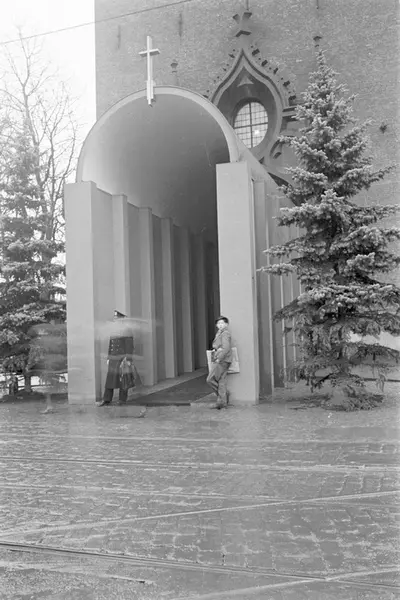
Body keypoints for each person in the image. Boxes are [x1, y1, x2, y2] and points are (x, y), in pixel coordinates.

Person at [98, 310, 136, 406]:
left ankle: (122, 400)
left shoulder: (127, 329)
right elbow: (111, 344)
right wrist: (108, 357)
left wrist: (128, 359)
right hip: (113, 358)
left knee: (123, 379)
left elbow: (129, 346)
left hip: (122, 359)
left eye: (116, 318)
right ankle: (106, 399)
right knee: (110, 379)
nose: (115, 320)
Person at [206, 315, 232, 409]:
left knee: (210, 379)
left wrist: (219, 358)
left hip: (222, 360)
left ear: (226, 324)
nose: (220, 325)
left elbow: (226, 348)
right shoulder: (220, 333)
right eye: (218, 323)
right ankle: (222, 402)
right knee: (221, 381)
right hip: (224, 360)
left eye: (222, 323)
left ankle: (224, 395)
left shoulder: (225, 334)